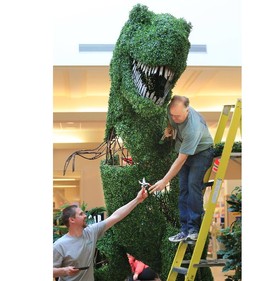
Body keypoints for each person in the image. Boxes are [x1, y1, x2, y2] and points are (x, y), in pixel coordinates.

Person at [149, 95, 214, 242]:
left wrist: (164, 181)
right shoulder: (172, 113)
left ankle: (194, 229)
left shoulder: (193, 128)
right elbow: (171, 120)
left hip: (202, 153)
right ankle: (184, 230)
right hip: (186, 153)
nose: (174, 118)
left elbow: (181, 160)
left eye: (177, 116)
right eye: (172, 115)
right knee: (183, 190)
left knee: (193, 185)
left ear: (187, 110)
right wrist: (169, 128)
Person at [53, 187, 148, 281]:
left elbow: (116, 216)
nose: (85, 216)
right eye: (81, 214)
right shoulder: (59, 245)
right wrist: (64, 271)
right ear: (72, 220)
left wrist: (137, 200)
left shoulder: (91, 232)